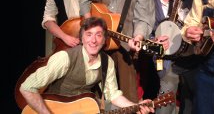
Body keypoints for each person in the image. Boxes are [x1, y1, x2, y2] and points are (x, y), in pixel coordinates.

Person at [20, 17, 154, 114]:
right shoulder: (64, 58)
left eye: (98, 35)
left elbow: (113, 95)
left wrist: (136, 106)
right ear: (81, 38)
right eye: (88, 35)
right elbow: (27, 87)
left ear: (104, 40)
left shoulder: (107, 62)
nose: (93, 40)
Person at [79, 0, 156, 103]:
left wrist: (139, 37)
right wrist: (90, 24)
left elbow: (143, 18)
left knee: (127, 96)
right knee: (92, 93)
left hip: (123, 46)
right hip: (97, 44)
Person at [147, 0, 202, 114]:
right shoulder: (149, 2)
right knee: (167, 95)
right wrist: (154, 42)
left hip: (189, 53)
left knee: (191, 97)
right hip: (165, 57)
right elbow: (145, 30)